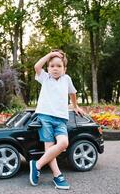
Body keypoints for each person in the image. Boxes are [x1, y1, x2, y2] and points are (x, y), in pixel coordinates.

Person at [30, 50, 85, 190]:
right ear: (48, 68)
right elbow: (37, 66)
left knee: (63, 143)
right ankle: (57, 175)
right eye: (52, 65)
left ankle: (37, 165)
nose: (55, 68)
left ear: (64, 69)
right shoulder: (45, 78)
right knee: (49, 147)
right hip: (45, 116)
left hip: (61, 119)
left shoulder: (66, 79)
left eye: (59, 66)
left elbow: (73, 92)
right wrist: (50, 54)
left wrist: (75, 106)